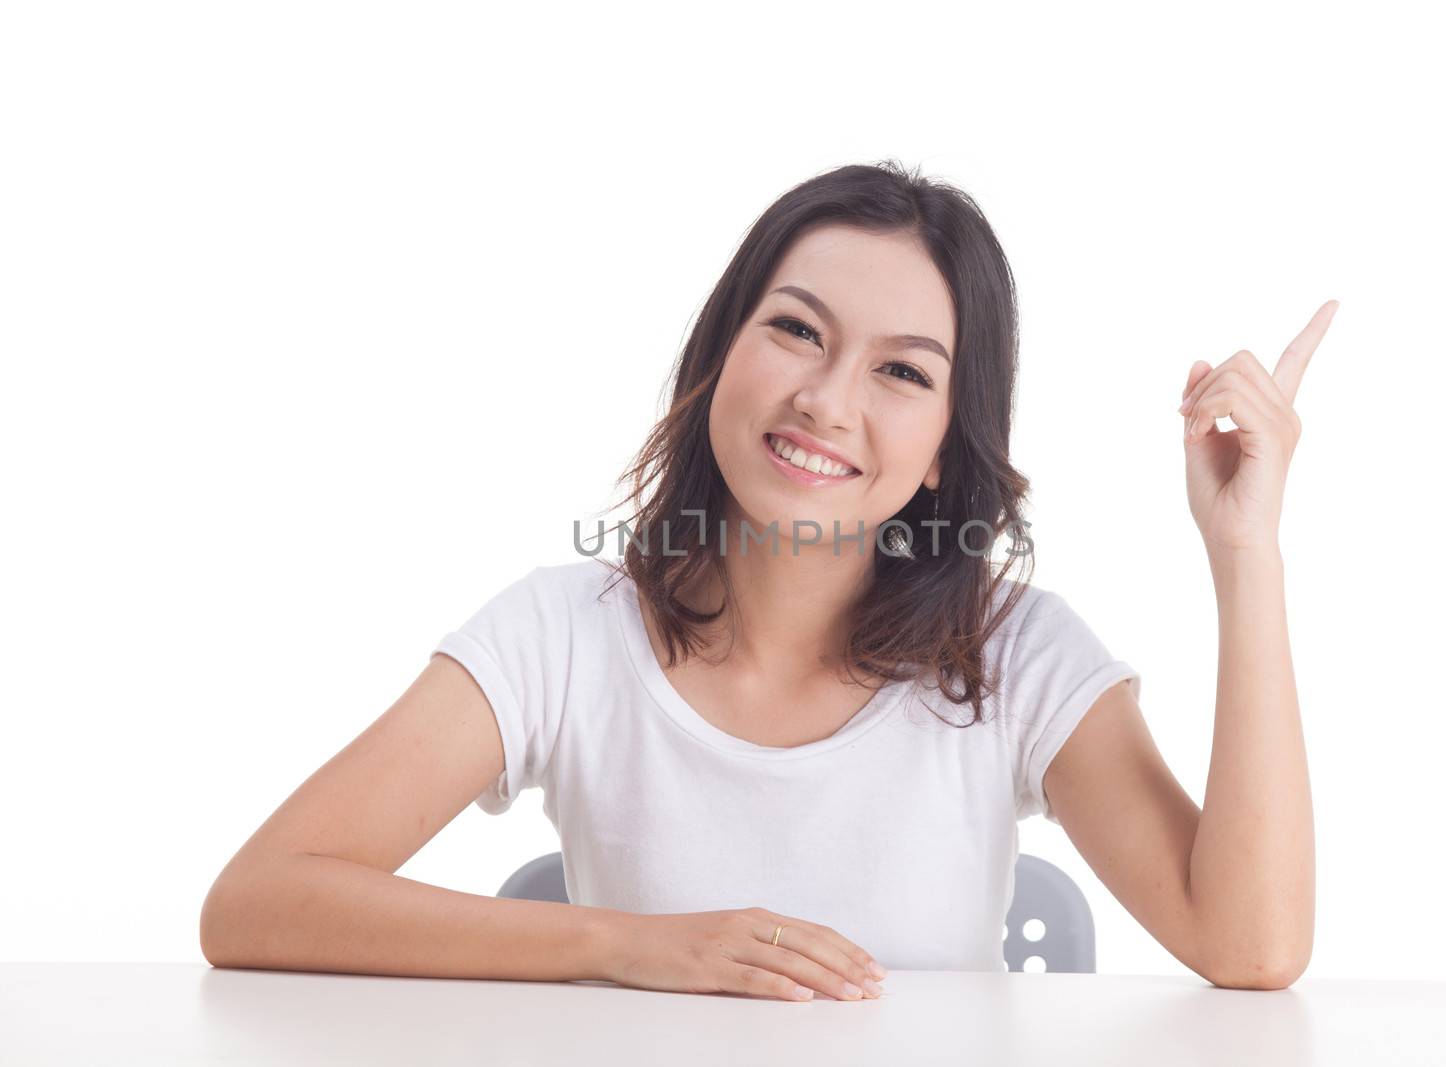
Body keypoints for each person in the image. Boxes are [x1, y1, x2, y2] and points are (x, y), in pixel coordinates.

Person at [199, 160, 1331, 1001]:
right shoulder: (566, 631)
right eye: (796, 330)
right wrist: (622, 941)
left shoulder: (1016, 654)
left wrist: (1246, 553)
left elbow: (1249, 946)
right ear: (720, 355)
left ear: (943, 443)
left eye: (900, 369)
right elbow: (256, 898)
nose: (829, 401)